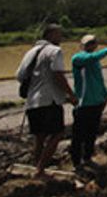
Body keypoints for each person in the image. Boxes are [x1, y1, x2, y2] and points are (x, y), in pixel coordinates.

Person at [15, 24, 77, 177]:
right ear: (50, 35)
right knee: (58, 134)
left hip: (32, 102)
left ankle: (37, 166)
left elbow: (19, 76)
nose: (61, 38)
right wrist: (71, 94)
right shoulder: (55, 51)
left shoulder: (30, 52)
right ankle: (40, 169)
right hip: (49, 101)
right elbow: (58, 75)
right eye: (59, 34)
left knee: (40, 136)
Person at [70, 34, 107, 172]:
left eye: (93, 43)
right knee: (78, 134)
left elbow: (99, 80)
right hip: (83, 103)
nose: (91, 45)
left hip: (96, 103)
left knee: (91, 133)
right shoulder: (79, 58)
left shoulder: (96, 62)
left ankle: (87, 158)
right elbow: (92, 57)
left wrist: (104, 96)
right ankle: (76, 162)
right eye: (88, 43)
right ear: (82, 46)